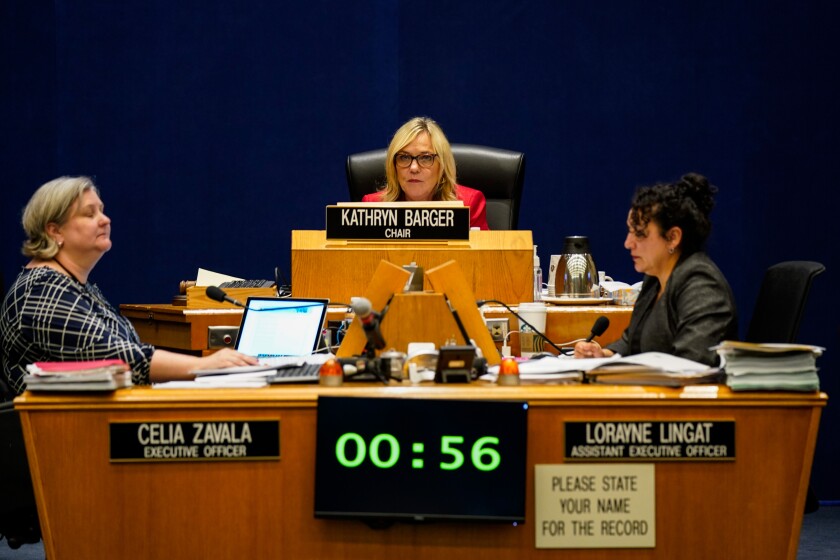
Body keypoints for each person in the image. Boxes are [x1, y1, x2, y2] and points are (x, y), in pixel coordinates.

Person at [0, 176, 258, 398]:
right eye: (90, 214)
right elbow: (118, 358)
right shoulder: (41, 291)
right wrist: (209, 365)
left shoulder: (73, 285)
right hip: (67, 440)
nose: (105, 220)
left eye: (102, 210)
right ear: (54, 231)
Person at [574, 173, 737, 366]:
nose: (628, 243)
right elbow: (632, 341)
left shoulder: (701, 284)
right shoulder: (655, 278)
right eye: (629, 231)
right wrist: (604, 354)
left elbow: (693, 364)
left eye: (640, 234)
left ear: (673, 237)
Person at [362, 116, 490, 230]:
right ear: (393, 165)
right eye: (404, 157)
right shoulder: (372, 206)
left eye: (426, 158)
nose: (413, 168)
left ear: (442, 165)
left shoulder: (467, 205)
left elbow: (480, 256)